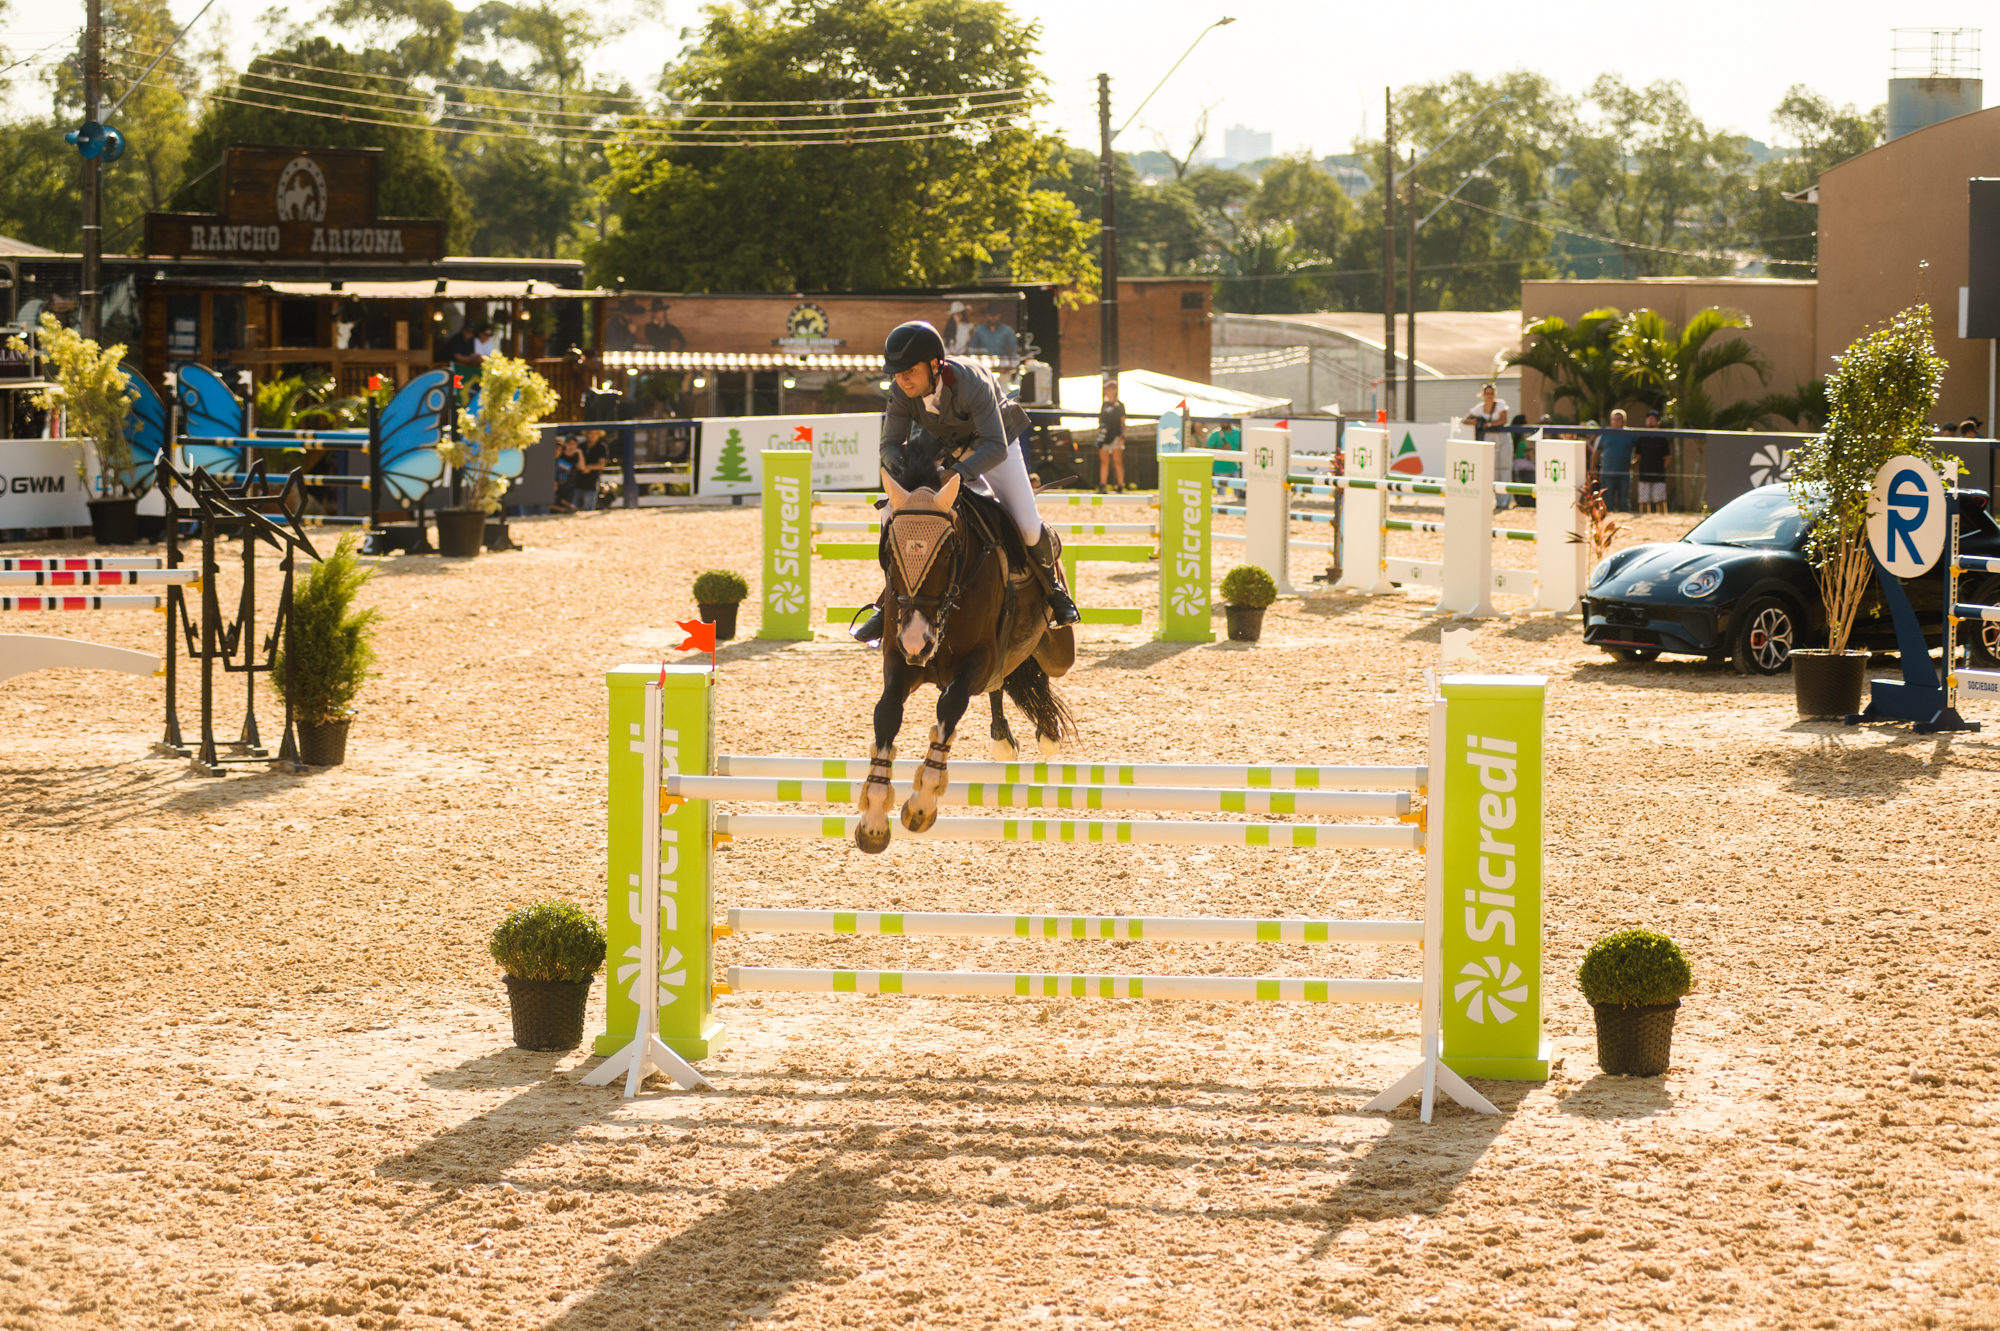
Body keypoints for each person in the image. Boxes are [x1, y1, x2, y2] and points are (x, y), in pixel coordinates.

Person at [849, 321, 1079, 645]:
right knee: (891, 514)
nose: (902, 380)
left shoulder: (970, 382)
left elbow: (994, 446)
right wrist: (910, 474)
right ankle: (886, 601)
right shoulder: (900, 391)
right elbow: (889, 446)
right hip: (941, 444)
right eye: (897, 373)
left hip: (994, 443)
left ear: (934, 365)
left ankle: (1055, 592)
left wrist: (955, 473)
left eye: (909, 371)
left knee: (1027, 526)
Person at [1633, 410, 1673, 515]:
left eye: (1652, 419)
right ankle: (1645, 518)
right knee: (1644, 500)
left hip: (1659, 474)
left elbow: (1667, 457)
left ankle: (1663, 518)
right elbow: (1638, 456)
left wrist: (1660, 467)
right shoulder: (1641, 438)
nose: (1650, 421)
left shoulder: (1663, 438)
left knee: (1660, 499)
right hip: (1644, 473)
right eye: (1648, 419)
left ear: (1658, 422)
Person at [1597, 409, 1634, 512]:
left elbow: (1640, 450)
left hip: (1624, 474)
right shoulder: (1605, 434)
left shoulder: (1630, 434)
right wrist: (1593, 468)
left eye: (1618, 419)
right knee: (1607, 504)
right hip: (1607, 473)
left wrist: (1635, 463)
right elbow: (1597, 452)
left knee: (1624, 503)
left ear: (1624, 421)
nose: (1616, 421)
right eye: (1613, 419)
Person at [1097, 380, 1128, 493]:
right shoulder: (1104, 405)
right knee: (1104, 461)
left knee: (1117, 461)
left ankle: (1120, 486)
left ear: (1115, 390)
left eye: (1109, 389)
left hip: (1116, 436)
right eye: (1106, 389)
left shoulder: (1120, 406)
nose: (1107, 391)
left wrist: (1122, 437)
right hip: (1104, 437)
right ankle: (1102, 485)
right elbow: (1100, 419)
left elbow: (1123, 422)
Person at [573, 429, 608, 511]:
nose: (592, 436)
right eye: (590, 433)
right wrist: (582, 468)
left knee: (588, 511)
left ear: (598, 435)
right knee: (574, 510)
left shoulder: (601, 447)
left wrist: (589, 467)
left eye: (595, 434)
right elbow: (576, 463)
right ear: (587, 435)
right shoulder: (581, 446)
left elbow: (602, 465)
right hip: (578, 483)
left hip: (592, 485)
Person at [552, 434, 579, 512]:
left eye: (560, 450)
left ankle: (569, 508)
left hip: (561, 487)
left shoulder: (558, 461)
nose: (558, 452)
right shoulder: (548, 461)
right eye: (556, 449)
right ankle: (565, 509)